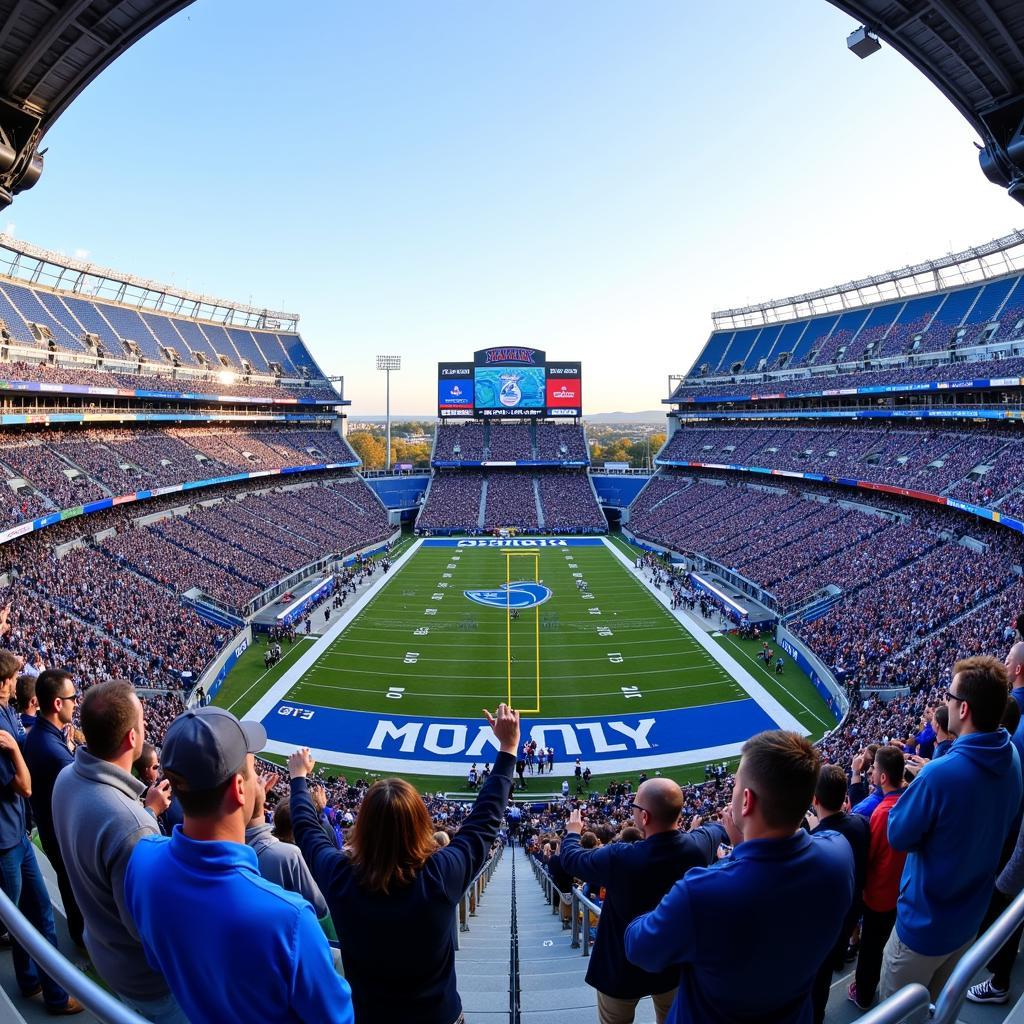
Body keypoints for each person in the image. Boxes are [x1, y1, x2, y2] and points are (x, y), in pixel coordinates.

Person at [286, 702, 520, 1024]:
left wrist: (298, 779)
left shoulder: (341, 877)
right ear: (420, 824)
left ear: (364, 827)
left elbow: (306, 828)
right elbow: (484, 821)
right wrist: (508, 749)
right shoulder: (440, 876)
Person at [124, 706, 353, 1023]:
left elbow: (157, 957)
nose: (259, 779)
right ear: (239, 789)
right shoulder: (290, 920)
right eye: (252, 771)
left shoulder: (142, 858)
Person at [624, 731, 854, 1024]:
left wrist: (737, 853)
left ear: (746, 801)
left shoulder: (700, 893)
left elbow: (639, 948)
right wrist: (742, 848)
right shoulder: (839, 852)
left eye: (735, 784)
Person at [880, 656, 1024, 1001]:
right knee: (940, 1007)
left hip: (923, 928)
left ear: (964, 710)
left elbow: (897, 834)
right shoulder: (1013, 760)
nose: (944, 701)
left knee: (898, 1011)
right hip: (968, 922)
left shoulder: (938, 775)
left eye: (949, 695)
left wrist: (914, 788)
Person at [51, 679, 178, 1022]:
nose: (146, 726)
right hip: (147, 985)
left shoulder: (65, 778)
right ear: (131, 738)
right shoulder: (133, 825)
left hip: (105, 951)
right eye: (141, 722)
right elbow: (145, 929)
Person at [558, 779, 725, 1024]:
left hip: (619, 967)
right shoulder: (697, 846)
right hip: (672, 965)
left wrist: (573, 832)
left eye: (635, 807)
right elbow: (717, 828)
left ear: (644, 816)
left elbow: (571, 859)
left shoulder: (620, 857)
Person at [0, 649, 82, 1016]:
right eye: (13, 678)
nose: (18, 683)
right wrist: (17, 750)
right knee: (26, 917)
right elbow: (25, 786)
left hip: (16, 832)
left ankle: (34, 982)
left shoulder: (7, 714)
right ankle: (53, 994)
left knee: (29, 916)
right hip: (6, 840)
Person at [21, 668, 85, 948]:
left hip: (50, 831)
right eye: (73, 698)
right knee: (75, 890)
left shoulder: (39, 735)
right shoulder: (54, 751)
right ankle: (82, 940)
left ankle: (78, 933)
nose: (76, 702)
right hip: (62, 836)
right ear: (58, 704)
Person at [808, 764, 869, 1024]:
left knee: (818, 977)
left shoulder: (816, 841)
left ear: (815, 800)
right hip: (853, 907)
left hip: (826, 923)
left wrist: (813, 831)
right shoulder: (861, 823)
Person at [849, 746, 907, 1010]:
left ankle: (862, 994)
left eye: (874, 769)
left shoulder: (883, 812)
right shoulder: (907, 798)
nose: (871, 771)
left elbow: (869, 856)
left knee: (871, 949)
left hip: (879, 894)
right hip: (899, 889)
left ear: (883, 777)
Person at [244, 769, 329, 921]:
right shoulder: (289, 854)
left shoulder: (258, 838)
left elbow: (249, 825)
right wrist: (323, 813)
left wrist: (256, 799)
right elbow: (321, 908)